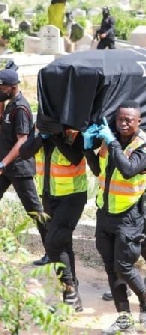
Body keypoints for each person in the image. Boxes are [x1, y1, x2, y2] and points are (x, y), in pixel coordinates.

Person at [83, 101, 146, 334]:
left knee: (124, 266)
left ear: (139, 121)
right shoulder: (109, 141)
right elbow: (98, 169)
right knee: (110, 268)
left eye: (129, 120)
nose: (123, 124)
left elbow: (128, 169)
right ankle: (123, 317)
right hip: (105, 213)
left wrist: (111, 141)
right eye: (119, 119)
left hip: (130, 216)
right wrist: (87, 147)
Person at [19, 127, 87, 312]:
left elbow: (76, 157)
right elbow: (24, 153)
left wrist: (57, 136)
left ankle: (70, 289)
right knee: (63, 245)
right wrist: (42, 135)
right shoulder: (41, 131)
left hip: (72, 196)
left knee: (53, 243)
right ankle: (71, 297)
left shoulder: (73, 131)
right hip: (49, 196)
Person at [0, 68, 48, 265]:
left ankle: (53, 250)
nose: (0, 89)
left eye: (2, 87)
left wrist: (3, 162)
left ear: (13, 87)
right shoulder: (9, 105)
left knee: (35, 210)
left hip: (19, 168)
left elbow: (22, 142)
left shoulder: (21, 108)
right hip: (7, 167)